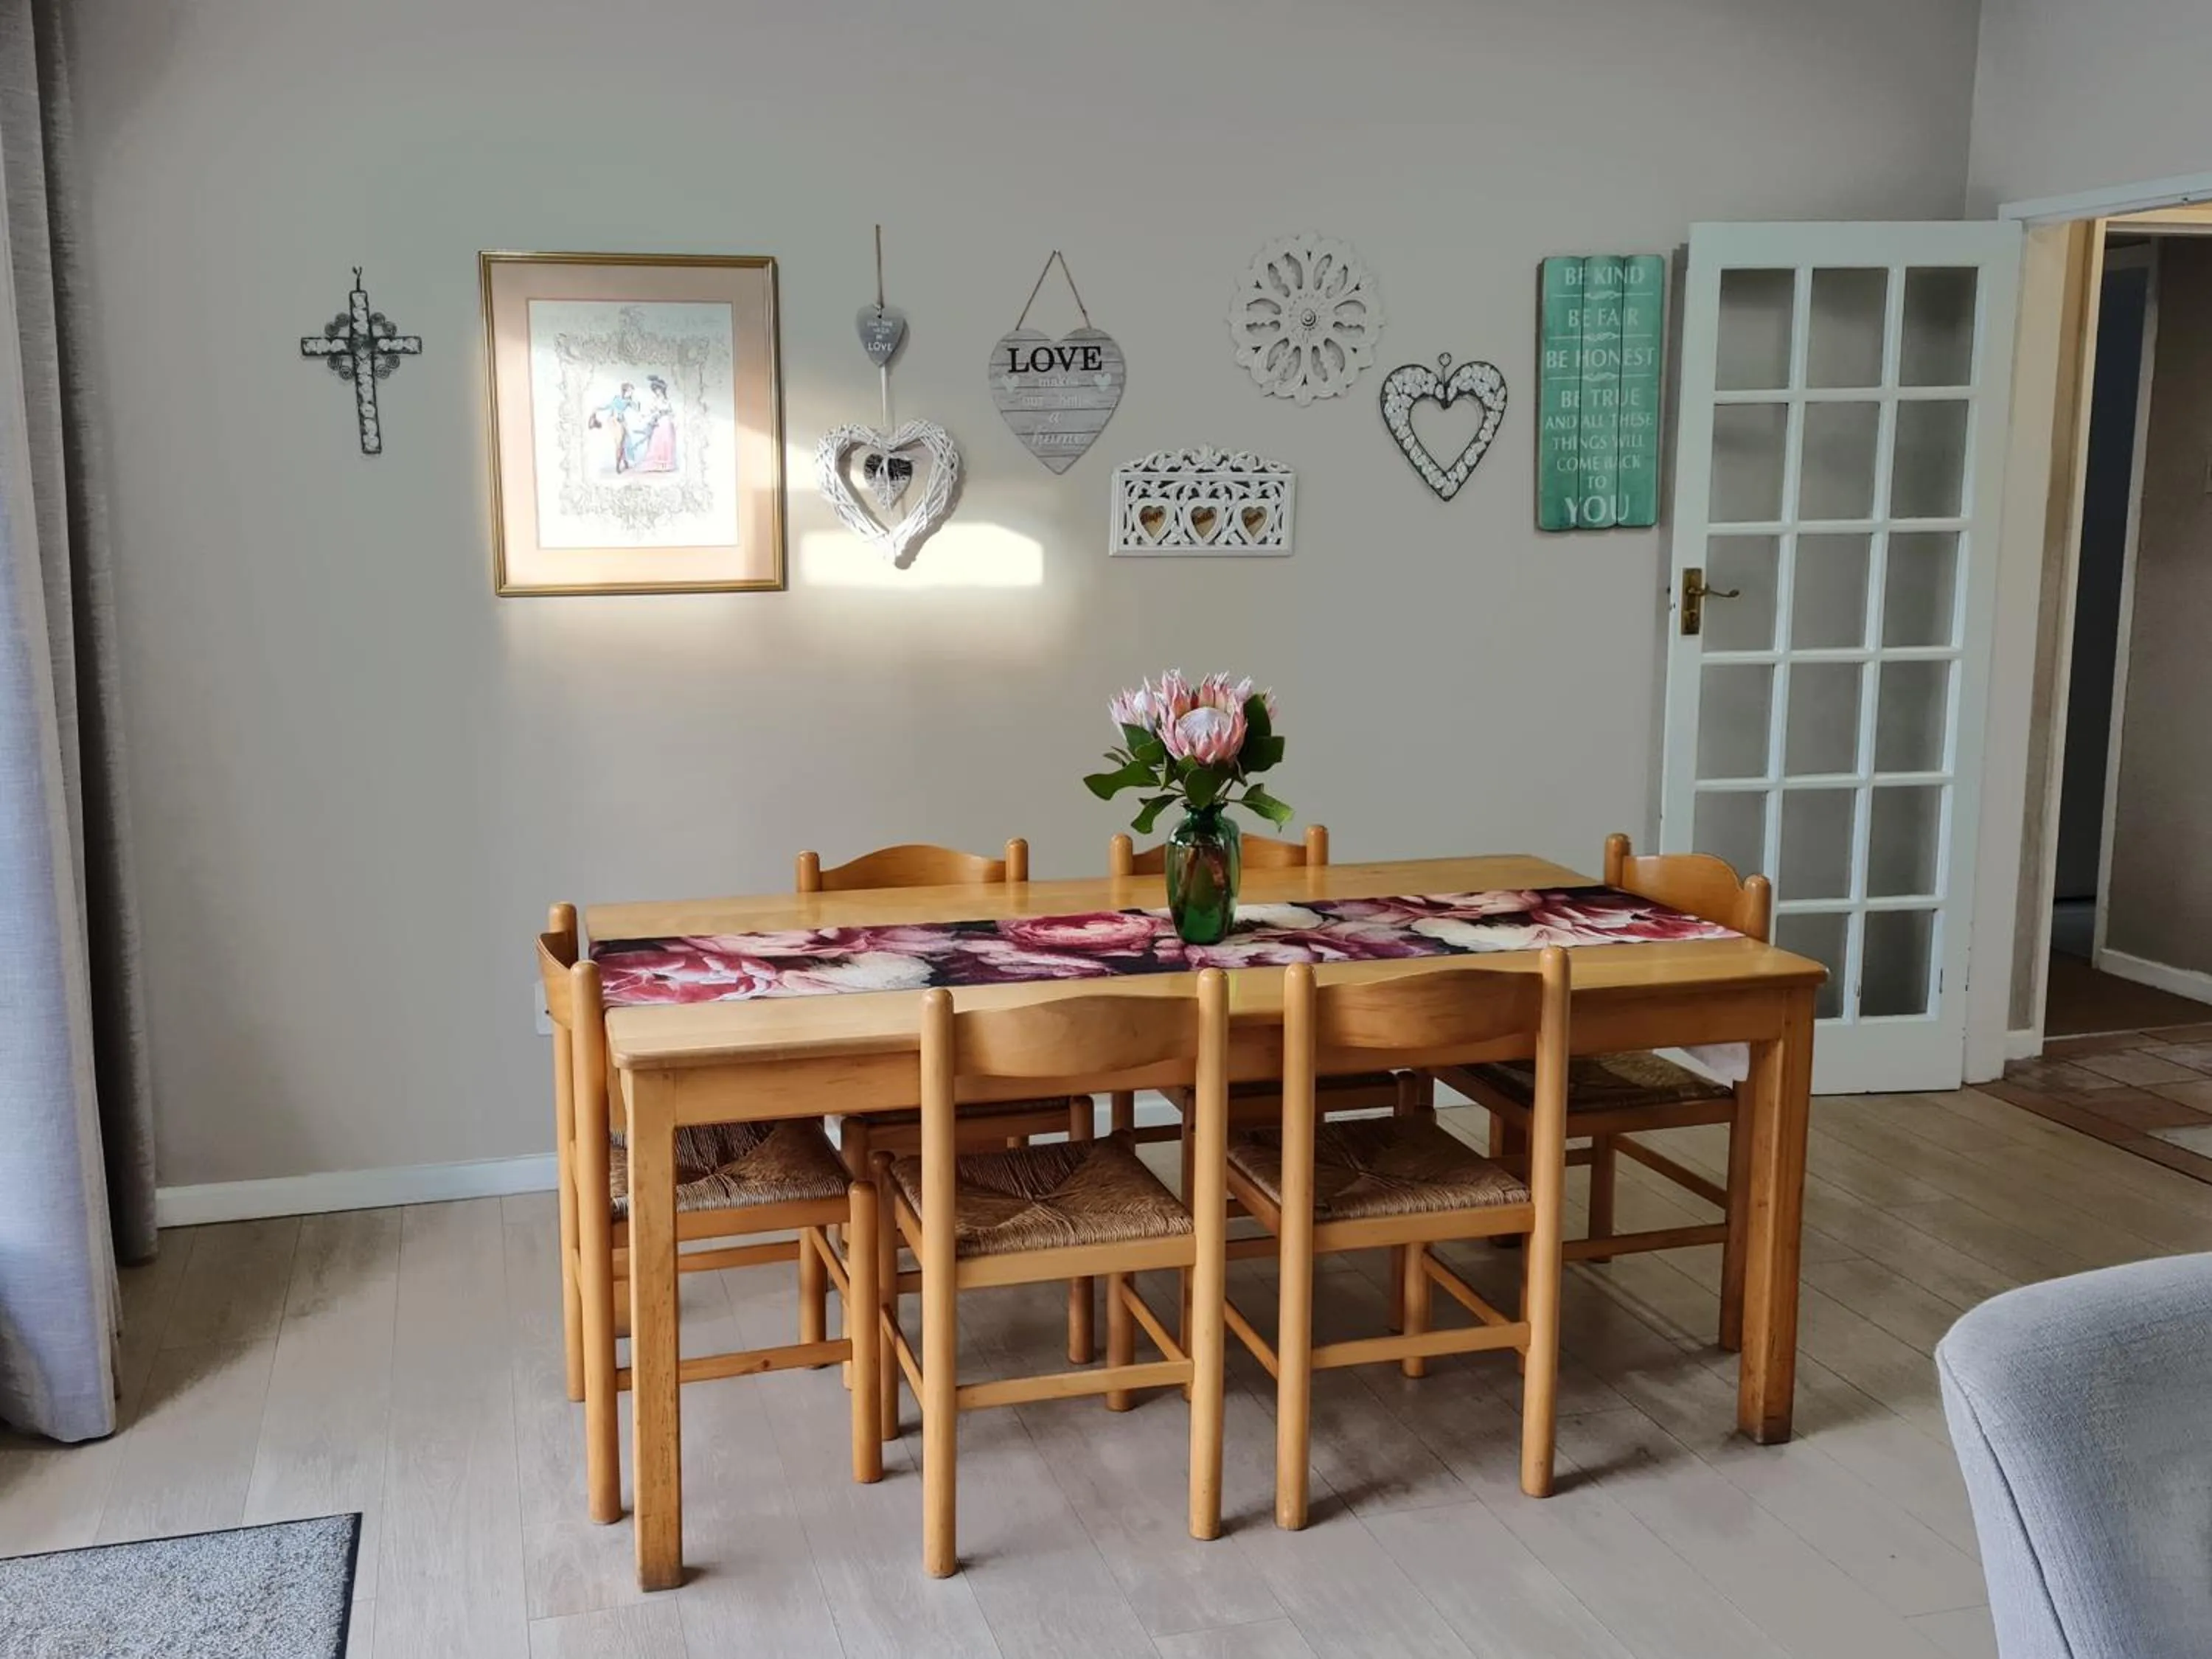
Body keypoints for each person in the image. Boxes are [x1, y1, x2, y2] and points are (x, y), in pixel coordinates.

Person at [638, 375, 677, 473]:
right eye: (655, 390)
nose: (657, 392)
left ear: (662, 390)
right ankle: (655, 464)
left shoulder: (666, 401)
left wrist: (673, 420)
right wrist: (646, 416)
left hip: (667, 422)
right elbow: (651, 410)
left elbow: (671, 412)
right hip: (660, 422)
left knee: (667, 442)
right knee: (657, 441)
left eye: (658, 390)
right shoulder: (655, 401)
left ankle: (665, 464)